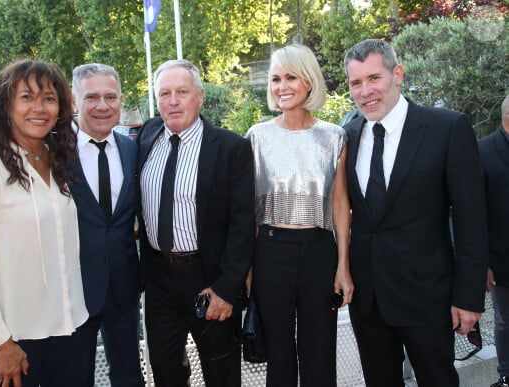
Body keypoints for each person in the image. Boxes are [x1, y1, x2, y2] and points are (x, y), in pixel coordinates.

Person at [343, 38, 489, 386]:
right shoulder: (347, 135)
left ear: (398, 74)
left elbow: (471, 219)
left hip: (428, 296)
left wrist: (469, 298)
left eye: (374, 78)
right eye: (356, 83)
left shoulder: (447, 128)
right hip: (368, 300)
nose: (365, 91)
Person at [0, 59, 89, 387]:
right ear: (5, 104)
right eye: (27, 97)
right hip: (15, 337)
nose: (39, 108)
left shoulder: (58, 158)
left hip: (69, 329)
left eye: (49, 99)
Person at [137, 59, 255, 387]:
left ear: (200, 97)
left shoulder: (231, 148)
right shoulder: (147, 137)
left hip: (209, 281)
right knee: (166, 374)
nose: (173, 101)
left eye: (182, 92)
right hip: (159, 283)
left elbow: (243, 225)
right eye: (165, 94)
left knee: (222, 375)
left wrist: (226, 289)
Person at [245, 44, 353, 386]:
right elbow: (248, 212)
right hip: (270, 252)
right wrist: (247, 271)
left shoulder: (334, 136)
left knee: (320, 350)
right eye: (276, 79)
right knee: (278, 353)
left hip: (319, 250)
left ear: (309, 81)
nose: (282, 86)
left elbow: (340, 206)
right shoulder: (257, 137)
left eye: (291, 77)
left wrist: (343, 266)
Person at [69, 63, 144, 387]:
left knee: (129, 375)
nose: (102, 105)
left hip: (124, 287)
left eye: (110, 96)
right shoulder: (52, 151)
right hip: (72, 289)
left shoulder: (132, 148)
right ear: (74, 101)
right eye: (92, 97)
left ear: (120, 99)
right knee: (75, 377)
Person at [481, 95, 509, 387]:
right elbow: (473, 213)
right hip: (501, 257)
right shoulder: (483, 151)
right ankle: (507, 375)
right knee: (505, 322)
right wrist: (482, 262)